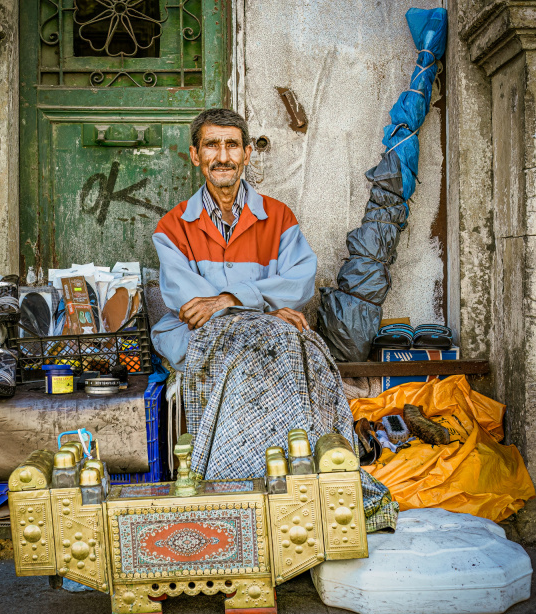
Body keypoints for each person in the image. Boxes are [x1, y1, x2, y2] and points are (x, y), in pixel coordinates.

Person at [152, 108, 397, 532]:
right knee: (277, 337)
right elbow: (190, 305)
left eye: (232, 145)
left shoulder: (278, 217)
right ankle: (241, 493)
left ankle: (295, 484)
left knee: (296, 343)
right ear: (195, 155)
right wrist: (265, 307)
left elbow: (300, 284)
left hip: (264, 335)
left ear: (248, 154)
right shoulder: (173, 227)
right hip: (194, 336)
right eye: (211, 145)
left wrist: (230, 299)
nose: (222, 156)